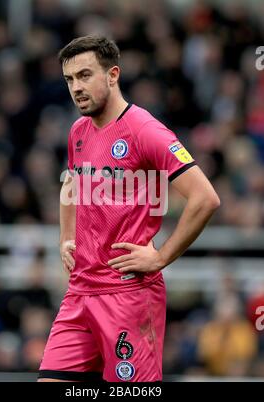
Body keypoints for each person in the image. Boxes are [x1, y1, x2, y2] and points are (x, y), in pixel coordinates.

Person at [38, 36, 220, 382]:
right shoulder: (78, 130)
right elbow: (71, 184)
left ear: (113, 75)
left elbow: (205, 198)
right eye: (69, 79)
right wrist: (65, 239)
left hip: (129, 294)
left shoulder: (146, 131)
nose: (76, 87)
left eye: (85, 75)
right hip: (80, 292)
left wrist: (161, 256)